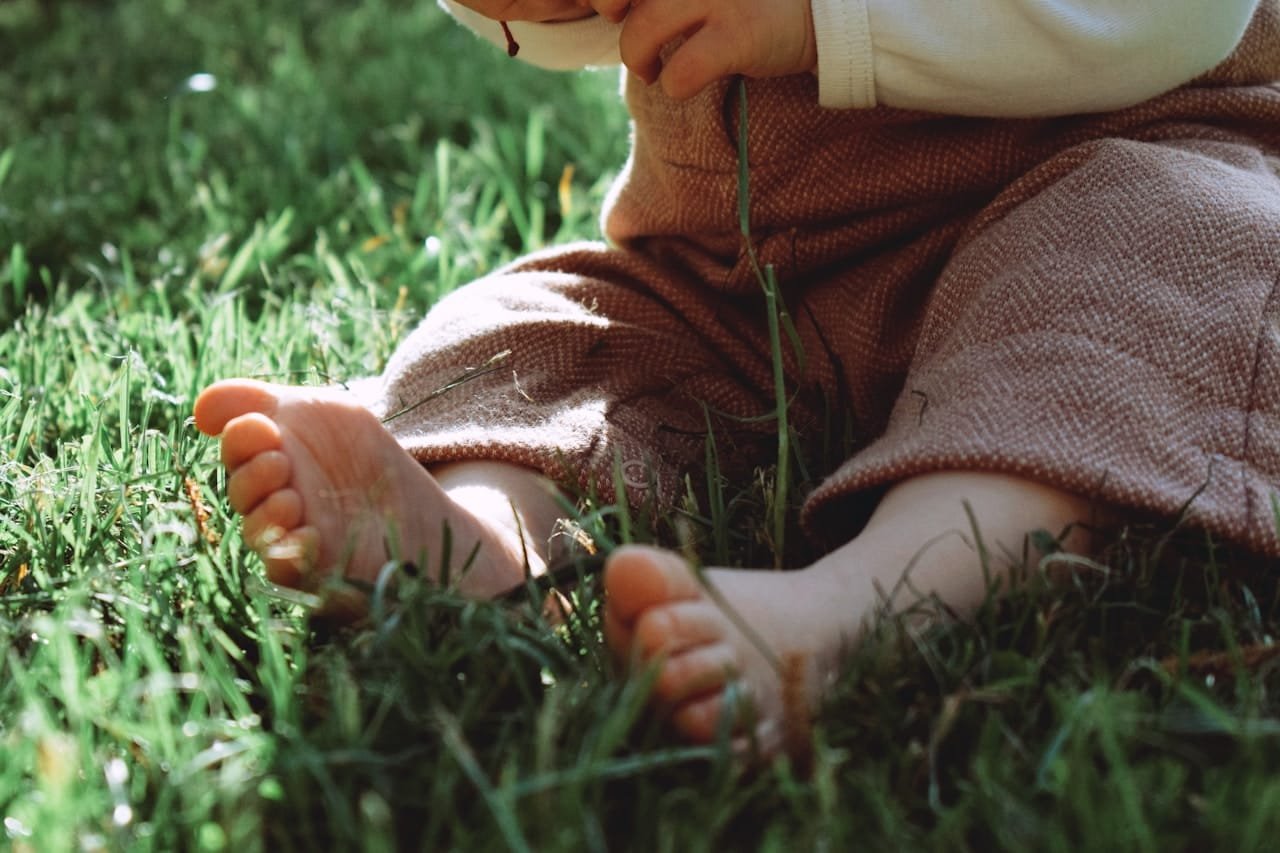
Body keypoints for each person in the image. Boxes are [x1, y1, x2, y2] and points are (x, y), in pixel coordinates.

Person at [193, 0, 1280, 754]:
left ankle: (867, 605)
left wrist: (820, 18)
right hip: (743, 272)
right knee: (549, 330)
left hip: (1087, 199)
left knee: (1167, 268)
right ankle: (482, 533)